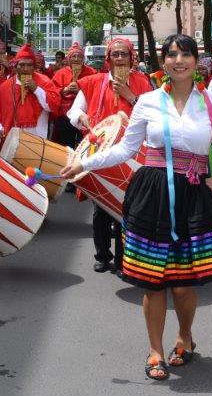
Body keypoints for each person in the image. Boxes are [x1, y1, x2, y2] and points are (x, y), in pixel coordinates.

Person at [60, 34, 212, 381]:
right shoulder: (148, 102)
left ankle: (185, 337)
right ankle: (155, 349)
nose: (178, 60)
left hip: (196, 196)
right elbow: (125, 149)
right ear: (163, 62)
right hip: (152, 193)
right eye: (171, 55)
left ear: (196, 62)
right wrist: (86, 163)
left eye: (185, 54)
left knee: (183, 283)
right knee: (153, 281)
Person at [67, 37, 153, 273]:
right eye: (114, 54)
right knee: (101, 208)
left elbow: (152, 117)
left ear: (131, 57)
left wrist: (129, 95)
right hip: (100, 151)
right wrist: (81, 118)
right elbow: (74, 110)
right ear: (108, 59)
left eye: (123, 54)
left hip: (133, 152)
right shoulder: (94, 82)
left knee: (128, 207)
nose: (119, 58)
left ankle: (125, 258)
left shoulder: (142, 82)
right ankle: (102, 255)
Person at [0, 44, 60, 142]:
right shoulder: (5, 87)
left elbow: (53, 106)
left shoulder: (45, 81)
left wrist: (36, 89)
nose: (25, 69)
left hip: (37, 142)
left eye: (29, 65)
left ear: (34, 66)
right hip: (10, 142)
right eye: (22, 65)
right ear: (16, 66)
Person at [50, 42, 97, 147]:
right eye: (73, 56)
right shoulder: (60, 73)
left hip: (85, 114)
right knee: (65, 145)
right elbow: (52, 92)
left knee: (84, 145)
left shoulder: (91, 72)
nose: (76, 59)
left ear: (83, 59)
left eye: (79, 56)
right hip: (64, 114)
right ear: (69, 59)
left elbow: (97, 91)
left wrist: (81, 91)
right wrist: (64, 90)